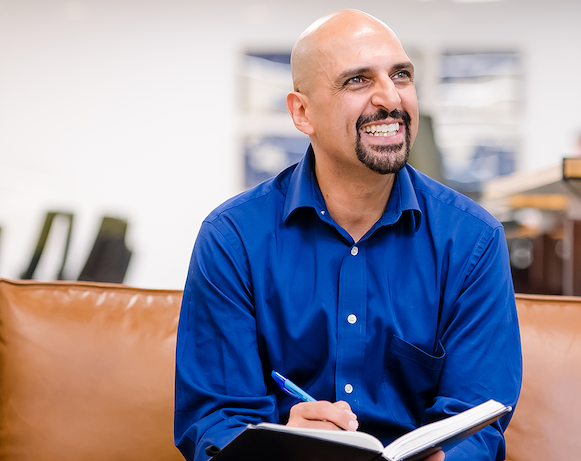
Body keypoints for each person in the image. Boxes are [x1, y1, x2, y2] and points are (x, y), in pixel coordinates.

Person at [174, 10, 522, 461]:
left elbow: (477, 422)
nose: (390, 98)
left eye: (401, 75)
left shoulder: (474, 241)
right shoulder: (232, 239)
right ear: (302, 112)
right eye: (358, 80)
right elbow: (215, 418)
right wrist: (277, 442)